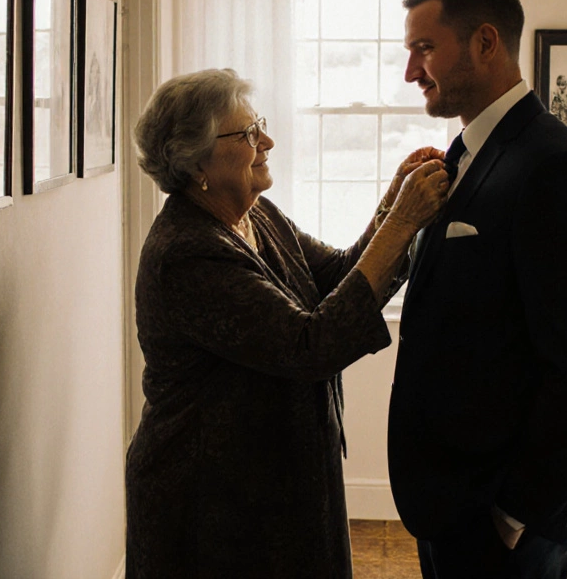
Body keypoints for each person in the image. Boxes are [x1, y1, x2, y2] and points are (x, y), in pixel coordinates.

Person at [125, 68, 448, 578]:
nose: (268, 141)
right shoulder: (187, 254)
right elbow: (308, 346)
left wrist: (393, 202)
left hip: (271, 483)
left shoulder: (260, 215)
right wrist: (404, 221)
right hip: (211, 502)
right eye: (249, 133)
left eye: (261, 125)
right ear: (197, 160)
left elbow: (339, 276)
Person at [389, 0, 567, 579]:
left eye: (424, 49)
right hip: (450, 500)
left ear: (486, 43)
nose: (412, 72)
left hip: (501, 519)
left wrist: (516, 515)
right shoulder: (465, 153)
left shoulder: (553, 169)